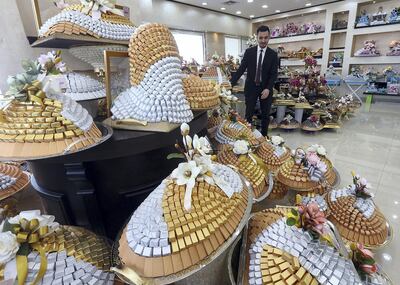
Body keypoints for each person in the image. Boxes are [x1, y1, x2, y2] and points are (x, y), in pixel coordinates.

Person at [230, 25, 278, 136]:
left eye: (266, 37)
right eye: (261, 38)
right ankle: (248, 137)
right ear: (257, 37)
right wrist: (230, 83)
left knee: (265, 115)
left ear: (269, 37)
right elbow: (241, 69)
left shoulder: (273, 55)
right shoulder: (249, 52)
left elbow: (273, 74)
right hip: (251, 87)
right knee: (248, 114)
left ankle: (264, 137)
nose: (263, 40)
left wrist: (268, 88)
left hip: (265, 88)